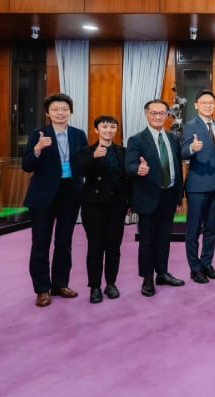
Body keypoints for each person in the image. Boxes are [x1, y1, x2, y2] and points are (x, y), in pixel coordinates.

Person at [22, 93, 88, 307]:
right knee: (40, 243)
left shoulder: (79, 135)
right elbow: (27, 165)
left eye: (64, 109)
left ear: (70, 112)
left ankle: (60, 284)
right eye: (55, 109)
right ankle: (42, 289)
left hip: (70, 192)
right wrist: (38, 148)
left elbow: (84, 163)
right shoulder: (37, 134)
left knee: (64, 241)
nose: (60, 113)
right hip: (43, 194)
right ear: (47, 113)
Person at [126, 99, 185, 297]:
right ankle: (147, 278)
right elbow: (129, 165)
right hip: (148, 197)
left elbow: (177, 167)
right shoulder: (137, 140)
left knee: (164, 239)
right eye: (154, 113)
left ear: (167, 116)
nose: (158, 116)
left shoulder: (172, 138)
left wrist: (179, 197)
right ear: (146, 114)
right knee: (147, 241)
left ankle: (162, 273)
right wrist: (138, 169)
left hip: (169, 195)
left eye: (162, 113)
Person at [180, 90, 215, 284]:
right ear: (196, 105)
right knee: (193, 230)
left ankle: (206, 264)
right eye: (204, 103)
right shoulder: (190, 126)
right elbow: (183, 151)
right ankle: (194, 268)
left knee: (212, 229)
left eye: (211, 102)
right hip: (197, 186)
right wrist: (192, 148)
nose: (208, 106)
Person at [78, 115, 128, 303]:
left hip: (117, 205)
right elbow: (79, 172)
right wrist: (93, 157)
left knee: (114, 247)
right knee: (95, 247)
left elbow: (126, 179)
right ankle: (95, 287)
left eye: (112, 126)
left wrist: (129, 203)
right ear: (97, 130)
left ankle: (111, 283)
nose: (108, 130)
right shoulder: (86, 151)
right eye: (104, 126)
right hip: (94, 206)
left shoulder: (123, 151)